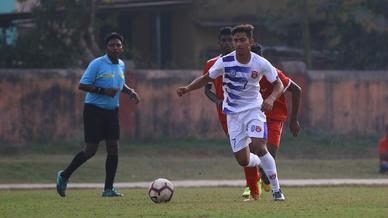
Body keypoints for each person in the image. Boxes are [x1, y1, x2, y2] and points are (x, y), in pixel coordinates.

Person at [177, 24, 286, 201]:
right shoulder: (225, 61)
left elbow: (279, 84)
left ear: (251, 41)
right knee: (243, 160)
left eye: (242, 40)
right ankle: (260, 163)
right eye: (236, 40)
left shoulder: (260, 62)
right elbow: (207, 78)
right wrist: (188, 88)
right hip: (233, 115)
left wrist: (271, 99)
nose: (238, 43)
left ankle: (276, 190)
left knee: (259, 147)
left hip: (253, 110)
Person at [56, 32, 140, 197]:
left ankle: (108, 189)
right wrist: (103, 91)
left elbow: (119, 83)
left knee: (113, 147)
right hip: (94, 110)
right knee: (90, 150)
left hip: (112, 111)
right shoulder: (97, 64)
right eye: (112, 45)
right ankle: (64, 175)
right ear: (106, 48)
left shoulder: (121, 64)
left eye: (118, 45)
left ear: (122, 48)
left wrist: (130, 92)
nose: (115, 47)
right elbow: (83, 85)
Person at [241, 43, 302, 199]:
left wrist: (294, 120)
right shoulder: (243, 74)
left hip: (274, 118)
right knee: (252, 154)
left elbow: (297, 90)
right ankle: (254, 185)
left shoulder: (273, 73)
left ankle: (268, 181)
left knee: (268, 158)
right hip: (253, 117)